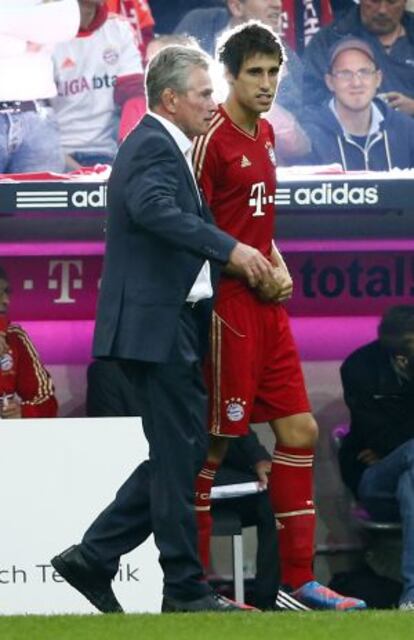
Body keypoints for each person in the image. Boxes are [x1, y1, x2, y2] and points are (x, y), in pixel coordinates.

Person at [51, 44, 274, 614]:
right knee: (179, 453)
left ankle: (95, 557)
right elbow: (153, 210)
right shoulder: (153, 144)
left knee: (179, 451)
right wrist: (230, 247)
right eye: (204, 94)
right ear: (170, 99)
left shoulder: (165, 144)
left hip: (170, 323)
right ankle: (184, 589)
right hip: (157, 326)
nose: (213, 103)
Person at [192, 22, 367, 611]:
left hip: (267, 307)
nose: (267, 84)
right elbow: (190, 229)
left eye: (274, 73)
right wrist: (244, 267)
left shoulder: (265, 132)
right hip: (228, 308)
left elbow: (255, 224)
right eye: (255, 73)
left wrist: (278, 260)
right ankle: (193, 589)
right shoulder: (208, 138)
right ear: (230, 77)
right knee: (213, 449)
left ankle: (299, 583)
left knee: (300, 431)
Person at [340, 305, 414, 610]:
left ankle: (411, 596)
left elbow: (387, 434)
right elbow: (375, 436)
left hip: (403, 475)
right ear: (396, 348)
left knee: (411, 481)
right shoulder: (358, 367)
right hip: (373, 480)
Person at [52, 0, 145, 169]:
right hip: (57, 156)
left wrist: (129, 154)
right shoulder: (46, 34)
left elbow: (134, 95)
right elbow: (39, 120)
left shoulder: (118, 28)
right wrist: (77, 172)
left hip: (108, 154)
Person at [300, 37, 414, 170]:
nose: (356, 83)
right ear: (330, 82)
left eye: (364, 72)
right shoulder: (308, 135)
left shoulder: (406, 130)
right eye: (345, 74)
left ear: (378, 79)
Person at [0, 0, 80, 174]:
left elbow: (68, 23)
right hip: (37, 120)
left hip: (38, 119)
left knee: (42, 199)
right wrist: (24, 43)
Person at [302, 0, 414, 114]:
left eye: (392, 2)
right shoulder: (328, 40)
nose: (382, 10)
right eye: (374, 1)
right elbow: (310, 100)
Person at [0, 266, 58, 419]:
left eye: (6, 292)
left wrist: (24, 413)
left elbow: (46, 401)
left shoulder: (14, 336)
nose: (6, 300)